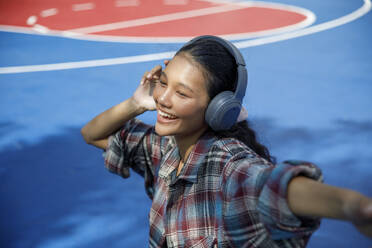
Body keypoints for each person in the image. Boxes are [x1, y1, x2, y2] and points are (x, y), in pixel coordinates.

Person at [81, 35, 372, 247]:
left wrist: (354, 207)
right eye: (164, 82)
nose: (163, 100)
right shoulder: (167, 149)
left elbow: (276, 187)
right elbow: (93, 134)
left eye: (182, 94)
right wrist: (135, 103)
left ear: (218, 108)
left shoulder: (230, 169)